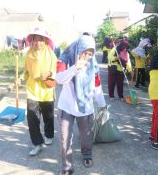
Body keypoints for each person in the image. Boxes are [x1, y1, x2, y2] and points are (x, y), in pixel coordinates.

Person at [55, 35, 106, 174]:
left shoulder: (92, 64)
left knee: (86, 135)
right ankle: (67, 167)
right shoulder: (65, 59)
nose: (87, 56)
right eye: (85, 52)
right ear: (78, 48)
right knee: (65, 139)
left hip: (85, 107)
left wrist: (102, 104)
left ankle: (87, 154)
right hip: (67, 106)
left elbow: (97, 85)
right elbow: (58, 79)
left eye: (90, 54)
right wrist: (74, 69)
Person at [23, 27, 57, 156]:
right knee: (32, 117)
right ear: (32, 41)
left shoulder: (51, 54)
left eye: (41, 40)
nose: (38, 43)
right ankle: (37, 143)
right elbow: (26, 71)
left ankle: (49, 135)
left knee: (48, 116)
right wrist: (21, 78)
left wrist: (49, 72)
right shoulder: (29, 54)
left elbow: (57, 70)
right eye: (36, 40)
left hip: (46, 90)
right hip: (32, 89)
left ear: (45, 41)